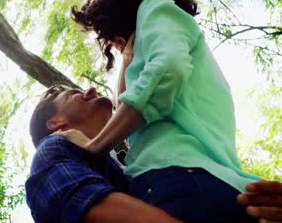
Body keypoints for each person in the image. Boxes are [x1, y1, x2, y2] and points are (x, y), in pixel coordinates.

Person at [54, 0, 263, 221]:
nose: (113, 44)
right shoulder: (165, 42)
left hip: (180, 181)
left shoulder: (154, 6)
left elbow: (166, 71)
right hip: (207, 186)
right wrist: (128, 59)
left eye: (107, 34)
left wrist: (95, 145)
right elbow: (129, 119)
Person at [26, 85, 282, 222]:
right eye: (74, 95)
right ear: (55, 123)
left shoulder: (125, 166)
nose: (90, 90)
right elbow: (93, 210)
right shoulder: (54, 149)